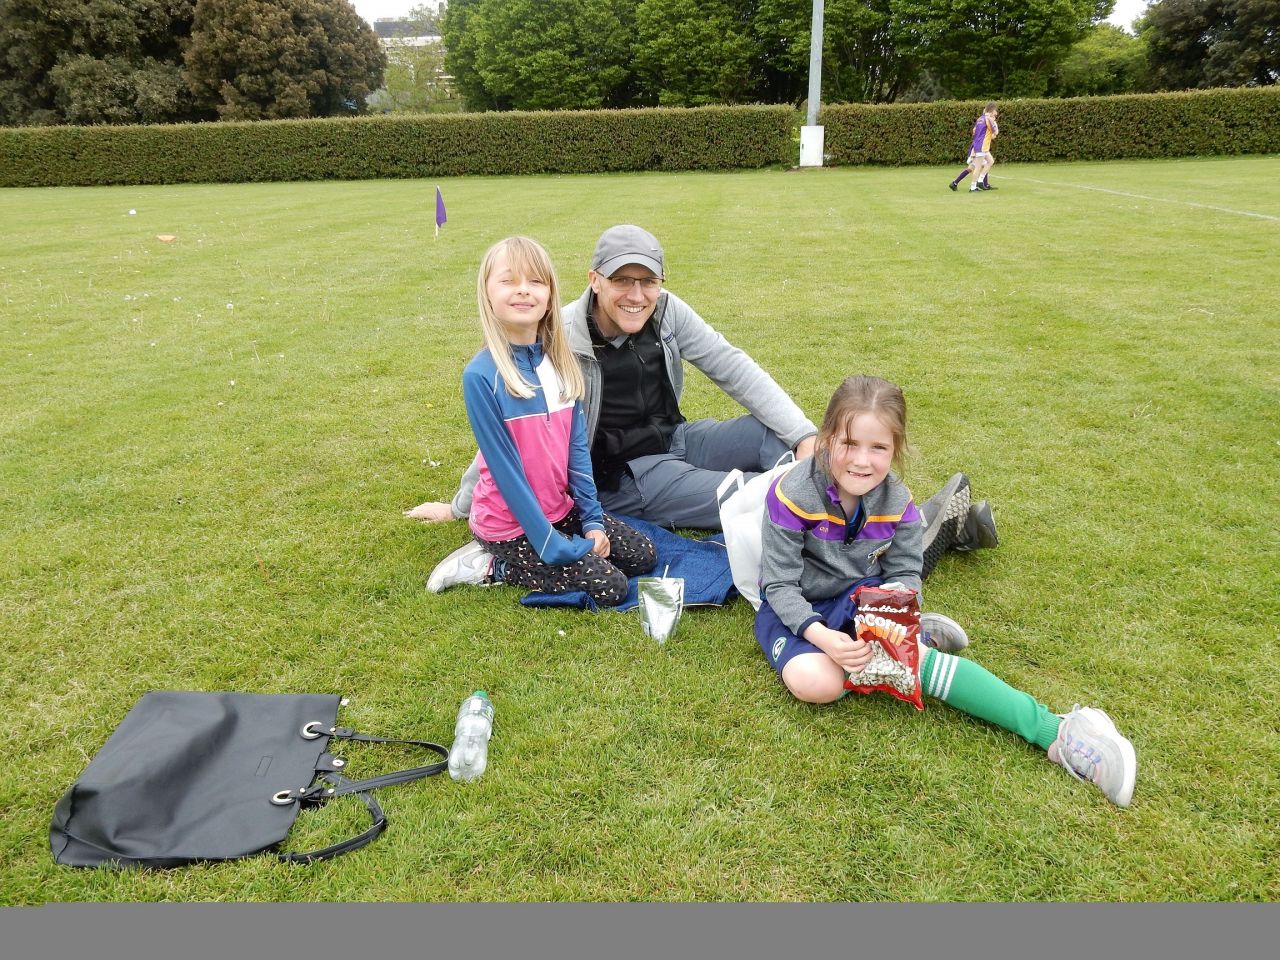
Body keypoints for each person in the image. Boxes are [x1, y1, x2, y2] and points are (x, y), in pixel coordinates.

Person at [413, 225, 996, 589]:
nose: (636, 294)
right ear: (594, 280)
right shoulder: (560, 334)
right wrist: (462, 504)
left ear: (661, 282)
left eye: (649, 281)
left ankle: (881, 516)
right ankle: (902, 539)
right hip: (624, 475)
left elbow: (730, 364)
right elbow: (509, 428)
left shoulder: (666, 311)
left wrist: (801, 437)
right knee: (742, 492)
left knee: (773, 443)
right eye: (622, 282)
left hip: (676, 437)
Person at [755, 374, 1137, 806]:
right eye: (849, 443)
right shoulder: (791, 493)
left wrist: (896, 616)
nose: (862, 461)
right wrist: (823, 637)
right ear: (825, 439)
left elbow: (904, 570)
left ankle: (1057, 730)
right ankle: (919, 640)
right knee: (814, 683)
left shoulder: (898, 500)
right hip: (799, 607)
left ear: (896, 450)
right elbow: (781, 584)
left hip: (864, 596)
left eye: (878, 447)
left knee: (901, 660)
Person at [425, 236, 657, 606]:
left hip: (559, 512)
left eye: (535, 281)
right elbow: (506, 473)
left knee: (643, 555)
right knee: (611, 587)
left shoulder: (561, 365)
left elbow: (577, 454)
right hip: (510, 526)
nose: (523, 291)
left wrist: (592, 521)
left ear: (550, 294)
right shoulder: (481, 376)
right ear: (487, 293)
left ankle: (542, 546)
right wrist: (550, 545)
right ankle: (490, 565)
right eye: (508, 280)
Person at [948, 102, 998, 193]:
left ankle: (980, 183)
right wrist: (995, 125)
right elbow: (995, 133)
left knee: (988, 162)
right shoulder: (989, 119)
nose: (996, 113)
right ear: (991, 111)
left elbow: (974, 131)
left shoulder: (980, 119)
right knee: (978, 167)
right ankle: (974, 186)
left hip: (977, 145)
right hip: (982, 146)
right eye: (995, 111)